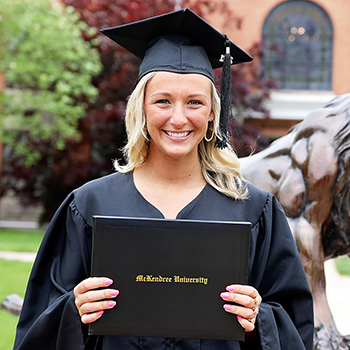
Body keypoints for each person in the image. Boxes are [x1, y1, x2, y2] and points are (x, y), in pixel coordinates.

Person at [13, 8, 314, 350]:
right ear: (141, 107)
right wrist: (74, 309)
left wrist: (258, 320)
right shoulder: (88, 206)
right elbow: (39, 324)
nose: (178, 117)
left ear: (213, 112)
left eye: (195, 102)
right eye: (163, 101)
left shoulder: (254, 210)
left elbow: (294, 323)